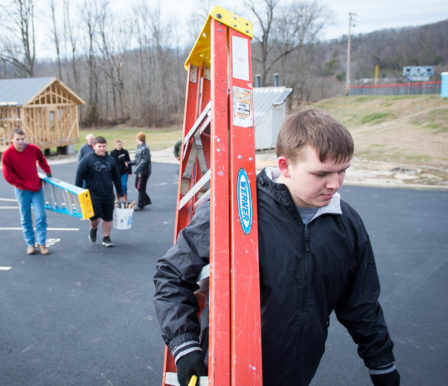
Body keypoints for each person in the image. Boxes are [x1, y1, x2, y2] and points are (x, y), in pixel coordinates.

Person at [153, 109, 400, 386]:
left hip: (300, 371)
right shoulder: (236, 210)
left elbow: (361, 305)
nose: (335, 184)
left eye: (343, 171)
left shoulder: (347, 224)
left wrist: (382, 366)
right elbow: (171, 275)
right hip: (230, 373)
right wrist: (185, 348)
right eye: (322, 173)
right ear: (285, 166)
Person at [2, 128, 52, 255]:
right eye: (17, 139)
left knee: (40, 216)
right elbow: (8, 176)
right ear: (11, 139)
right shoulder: (7, 155)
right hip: (22, 190)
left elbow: (41, 158)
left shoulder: (33, 149)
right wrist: (23, 185)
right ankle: (30, 244)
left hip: (36, 188)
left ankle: (42, 243)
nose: (20, 142)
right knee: (25, 218)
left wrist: (47, 170)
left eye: (22, 139)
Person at [75, 136, 124, 247]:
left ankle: (106, 238)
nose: (102, 148)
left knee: (108, 217)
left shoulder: (111, 160)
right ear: (94, 146)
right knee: (95, 217)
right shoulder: (87, 160)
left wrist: (121, 193)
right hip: (93, 194)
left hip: (108, 194)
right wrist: (77, 191)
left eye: (104, 146)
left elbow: (116, 178)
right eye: (99, 146)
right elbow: (79, 176)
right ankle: (93, 228)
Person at [129, 131, 152, 210]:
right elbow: (137, 160)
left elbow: (145, 161)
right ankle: (146, 200)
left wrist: (137, 169)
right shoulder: (139, 147)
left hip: (143, 172)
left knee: (141, 187)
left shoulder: (145, 148)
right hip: (140, 171)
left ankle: (141, 204)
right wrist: (129, 163)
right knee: (138, 186)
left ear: (139, 138)